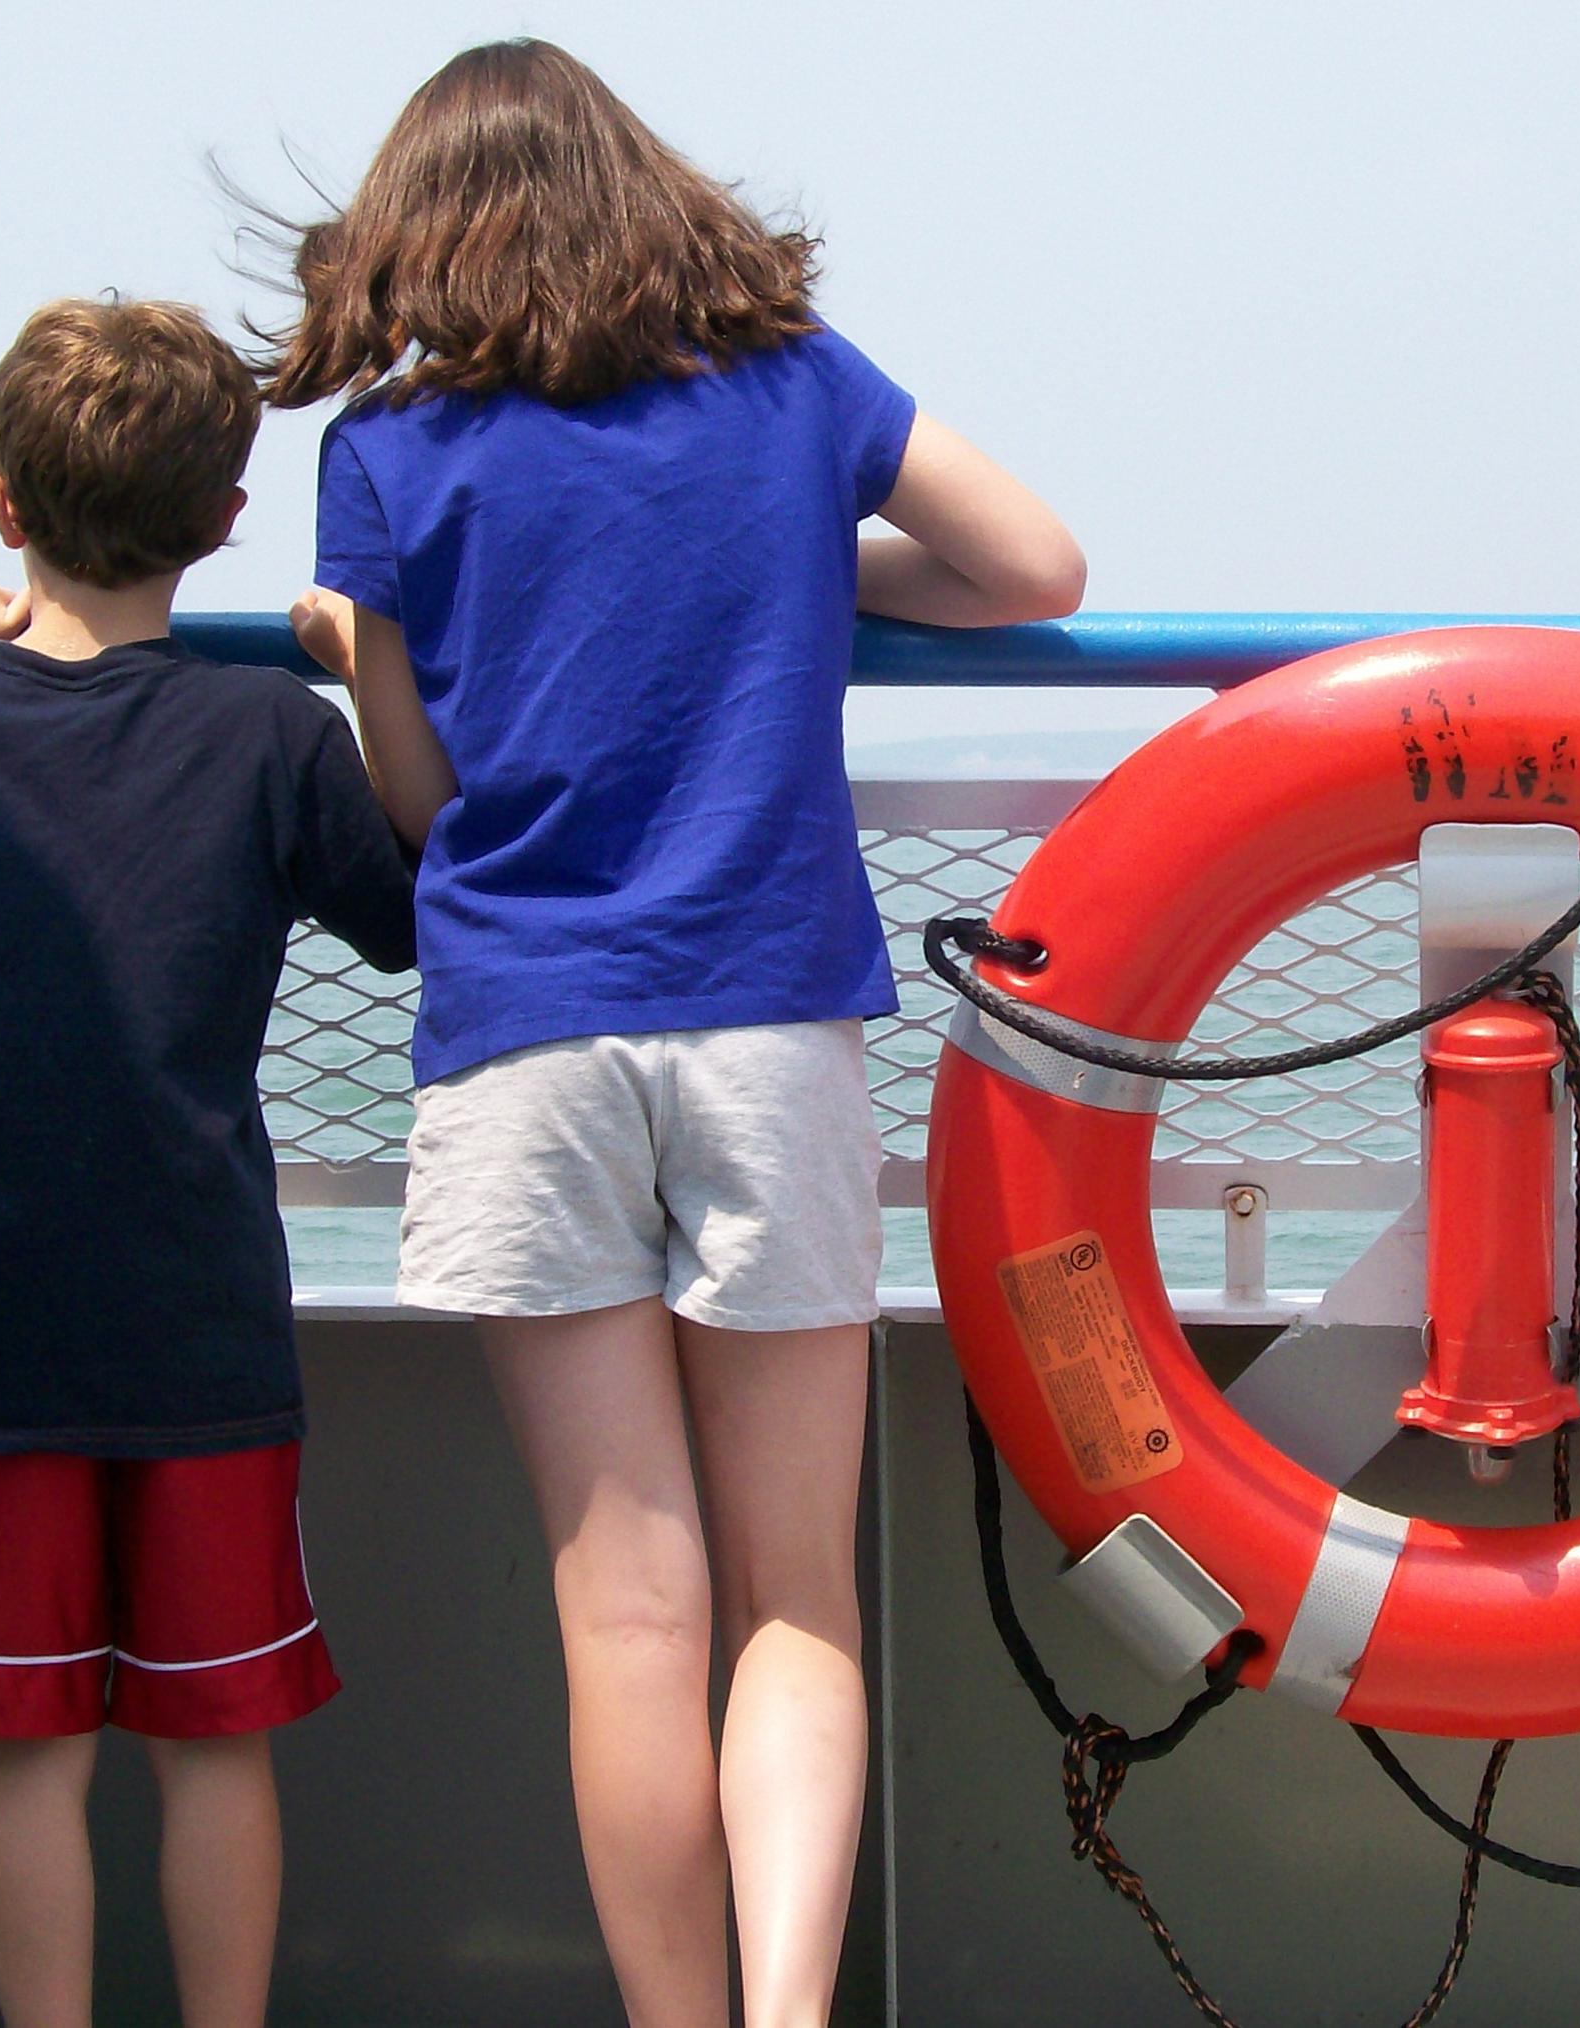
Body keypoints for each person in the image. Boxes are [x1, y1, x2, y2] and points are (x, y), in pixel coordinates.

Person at [262, 40, 1085, 2027]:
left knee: (628, 1613)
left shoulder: (383, 451)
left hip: (529, 1037)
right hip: (767, 1018)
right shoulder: (793, 382)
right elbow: (1038, 566)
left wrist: (348, 634)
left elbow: (412, 802)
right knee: (796, 1590)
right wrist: (811, 566)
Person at [0, 297, 416, 2028]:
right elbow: (406, 918)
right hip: (191, 1322)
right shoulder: (273, 736)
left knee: (24, 1760)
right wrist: (360, 667)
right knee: (215, 1746)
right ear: (225, 519)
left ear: (4, 506)